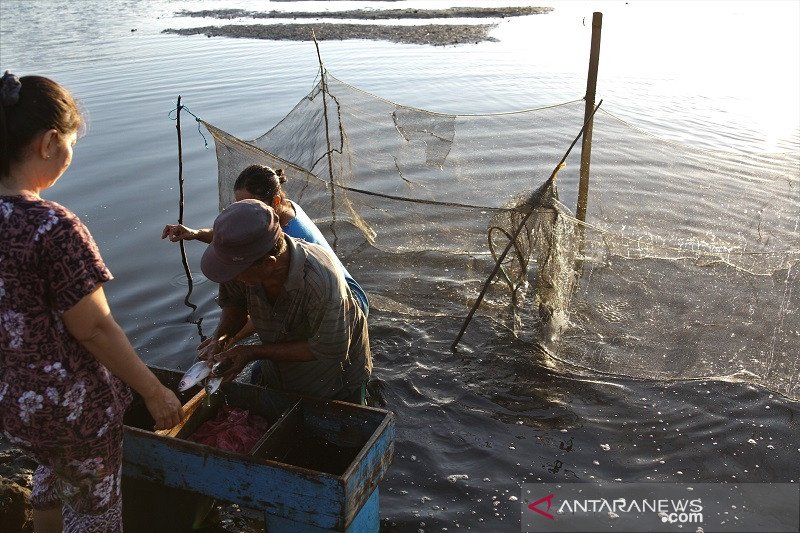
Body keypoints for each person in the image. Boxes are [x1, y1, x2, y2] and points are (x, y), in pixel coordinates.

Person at [0, 71, 184, 532]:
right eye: (71, 145)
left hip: (18, 402)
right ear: (48, 143)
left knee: (50, 476)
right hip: (73, 409)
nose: (70, 156)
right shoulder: (52, 226)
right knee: (94, 510)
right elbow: (95, 328)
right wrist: (154, 391)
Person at [162, 164, 369, 346]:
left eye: (253, 205)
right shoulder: (278, 213)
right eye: (240, 206)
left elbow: (273, 311)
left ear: (275, 201)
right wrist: (195, 234)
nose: (247, 212)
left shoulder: (287, 238)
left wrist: (231, 341)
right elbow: (240, 242)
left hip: (347, 300)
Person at [197, 199, 371, 404]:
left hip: (332, 379)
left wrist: (251, 352)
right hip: (279, 369)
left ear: (268, 264)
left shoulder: (321, 281)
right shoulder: (238, 266)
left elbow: (328, 349)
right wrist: (221, 338)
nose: (231, 278)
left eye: (236, 274)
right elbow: (234, 304)